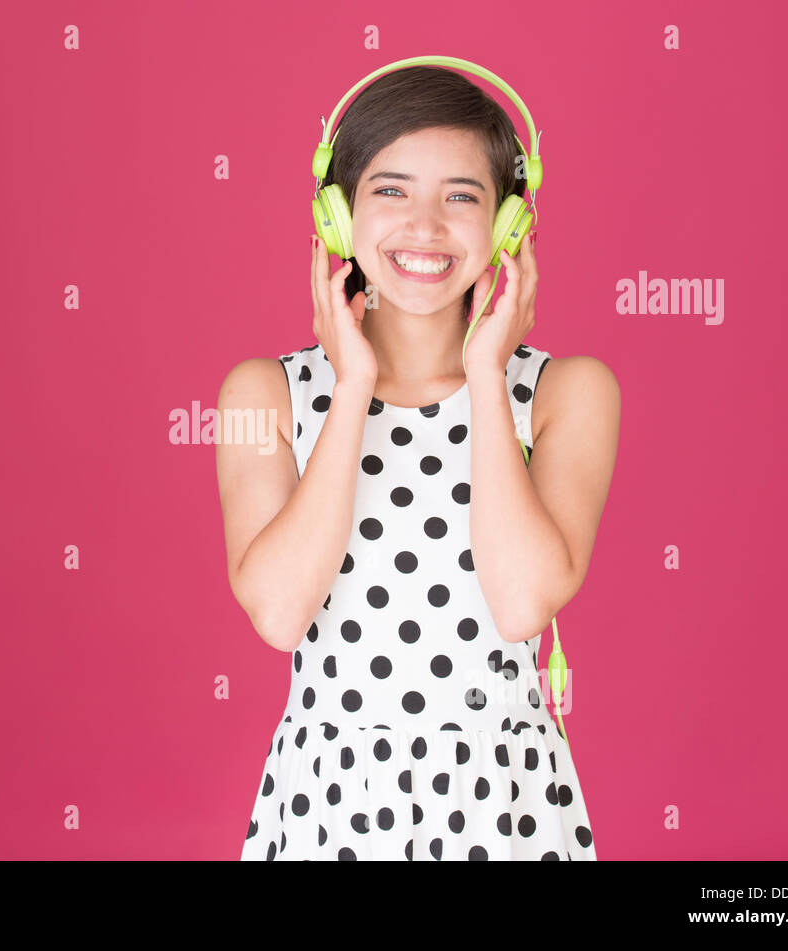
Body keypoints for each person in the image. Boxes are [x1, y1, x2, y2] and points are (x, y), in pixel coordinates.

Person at [216, 65, 620, 860]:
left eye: (462, 196)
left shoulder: (563, 391)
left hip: (503, 800)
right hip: (329, 797)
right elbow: (278, 612)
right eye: (392, 191)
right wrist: (354, 385)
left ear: (508, 225)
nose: (426, 226)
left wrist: (483, 379)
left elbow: (521, 602)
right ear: (336, 216)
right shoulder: (267, 391)